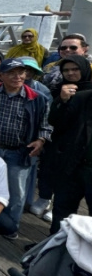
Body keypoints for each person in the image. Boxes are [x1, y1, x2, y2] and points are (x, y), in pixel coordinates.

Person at [0, 58, 50, 231]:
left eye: (21, 72)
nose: (18, 76)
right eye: (12, 73)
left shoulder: (38, 99)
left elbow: (46, 125)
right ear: (1, 75)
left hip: (19, 152)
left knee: (17, 193)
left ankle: (10, 226)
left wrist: (41, 140)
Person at [46, 65, 92, 233]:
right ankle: (54, 246)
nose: (71, 73)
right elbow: (56, 121)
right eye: (66, 70)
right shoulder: (81, 97)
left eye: (75, 69)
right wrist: (62, 101)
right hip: (72, 163)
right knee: (62, 209)